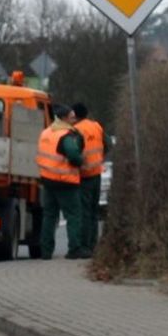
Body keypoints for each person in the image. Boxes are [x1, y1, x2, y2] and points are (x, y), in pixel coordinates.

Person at [35, 104, 86, 259]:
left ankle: (46, 251)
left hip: (48, 180)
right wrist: (80, 160)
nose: (74, 120)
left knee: (49, 216)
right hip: (65, 182)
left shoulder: (46, 132)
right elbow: (73, 155)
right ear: (63, 118)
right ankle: (74, 249)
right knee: (73, 215)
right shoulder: (66, 135)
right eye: (71, 117)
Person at [71, 102, 109, 255]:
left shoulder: (76, 130)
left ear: (75, 115)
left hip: (84, 175)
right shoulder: (96, 126)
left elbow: (74, 153)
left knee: (84, 212)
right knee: (94, 211)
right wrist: (99, 157)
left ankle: (85, 246)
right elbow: (108, 144)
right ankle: (93, 245)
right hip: (97, 173)